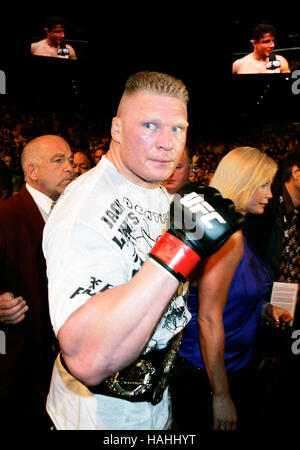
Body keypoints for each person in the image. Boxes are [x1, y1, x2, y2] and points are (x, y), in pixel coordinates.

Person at [42, 71, 243, 430]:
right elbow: (87, 358)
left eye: (177, 128)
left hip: (155, 407)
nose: (167, 143)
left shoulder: (156, 190)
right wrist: (181, 248)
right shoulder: (83, 211)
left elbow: (159, 286)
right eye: (149, 125)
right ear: (116, 129)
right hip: (96, 420)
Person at [170, 146, 292, 431]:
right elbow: (208, 317)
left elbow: (227, 296)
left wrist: (263, 309)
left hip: (228, 365)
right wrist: (222, 395)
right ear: (242, 182)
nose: (269, 194)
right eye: (263, 185)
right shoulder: (229, 237)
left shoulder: (230, 226)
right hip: (208, 374)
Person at [0, 135, 74, 431]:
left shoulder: (78, 213)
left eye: (70, 160)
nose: (69, 168)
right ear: (32, 171)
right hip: (22, 371)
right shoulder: (5, 216)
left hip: (70, 365)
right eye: (58, 161)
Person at [244, 148, 300, 428]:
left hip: (288, 312)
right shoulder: (265, 211)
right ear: (296, 172)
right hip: (259, 313)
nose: (266, 191)